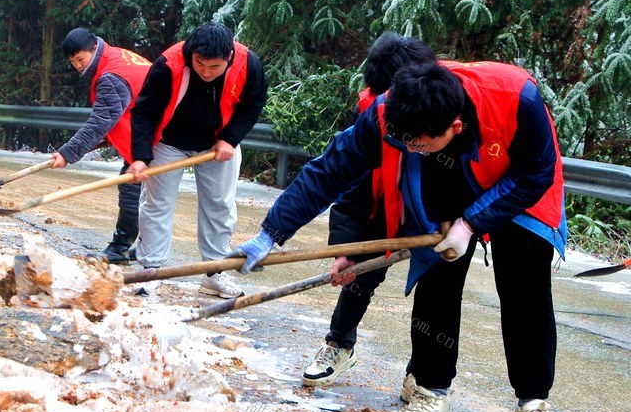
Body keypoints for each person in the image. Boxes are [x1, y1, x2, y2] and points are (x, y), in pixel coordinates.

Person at [233, 56, 566, 412]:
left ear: (454, 127)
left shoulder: (518, 98)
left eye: (418, 145)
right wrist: (273, 232)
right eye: (404, 143)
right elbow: (331, 170)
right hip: (452, 180)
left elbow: (537, 173)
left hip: (521, 189)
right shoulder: (391, 113)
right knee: (436, 274)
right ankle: (432, 394)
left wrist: (473, 223)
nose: (409, 150)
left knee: (524, 290)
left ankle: (533, 407)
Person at [302, 34, 437, 388]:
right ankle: (339, 343)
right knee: (360, 276)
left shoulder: (445, 104)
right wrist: (347, 249)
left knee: (438, 285)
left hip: (440, 210)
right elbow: (352, 187)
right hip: (384, 202)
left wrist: (466, 224)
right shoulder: (369, 113)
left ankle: (424, 375)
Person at [128, 22, 268, 297]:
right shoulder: (168, 64)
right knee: (157, 205)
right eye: (200, 64)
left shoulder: (248, 64)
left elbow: (253, 104)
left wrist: (230, 138)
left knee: (219, 206)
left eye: (214, 67)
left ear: (228, 57)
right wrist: (141, 157)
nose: (205, 72)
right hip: (169, 143)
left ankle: (214, 274)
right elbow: (144, 112)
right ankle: (150, 271)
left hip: (217, 146)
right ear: (191, 52)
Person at [52, 28, 153, 263]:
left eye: (80, 59)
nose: (78, 65)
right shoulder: (113, 56)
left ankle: (124, 247)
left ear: (94, 49)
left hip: (160, 130)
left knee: (143, 189)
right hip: (148, 128)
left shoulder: (111, 76)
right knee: (136, 185)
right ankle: (141, 245)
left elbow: (100, 122)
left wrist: (68, 153)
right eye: (73, 61)